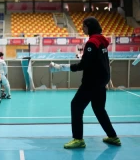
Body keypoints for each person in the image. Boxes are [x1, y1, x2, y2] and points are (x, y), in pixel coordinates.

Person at [50, 17, 120, 149]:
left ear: (89, 27)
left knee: (76, 105)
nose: (82, 28)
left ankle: (78, 139)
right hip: (102, 79)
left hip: (92, 81)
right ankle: (113, 136)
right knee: (99, 109)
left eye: (84, 26)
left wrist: (61, 67)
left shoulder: (92, 42)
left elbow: (84, 64)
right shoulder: (102, 41)